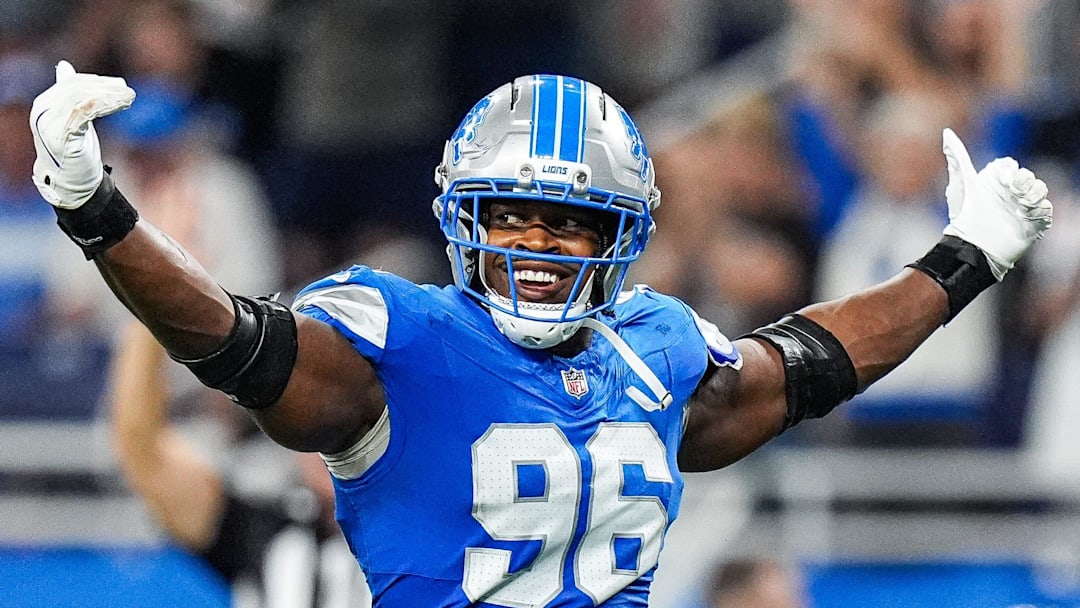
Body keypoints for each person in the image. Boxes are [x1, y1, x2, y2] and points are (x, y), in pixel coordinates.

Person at [28, 64, 1051, 606]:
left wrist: (965, 258)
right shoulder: (403, 341)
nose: (535, 243)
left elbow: (808, 365)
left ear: (622, 236)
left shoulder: (654, 345)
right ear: (461, 218)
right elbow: (237, 341)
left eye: (568, 219)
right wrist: (96, 209)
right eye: (510, 212)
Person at [108, 318, 372, 608]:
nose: (331, 441)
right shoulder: (263, 528)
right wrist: (154, 302)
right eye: (314, 413)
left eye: (354, 418)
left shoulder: (421, 526)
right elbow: (145, 453)